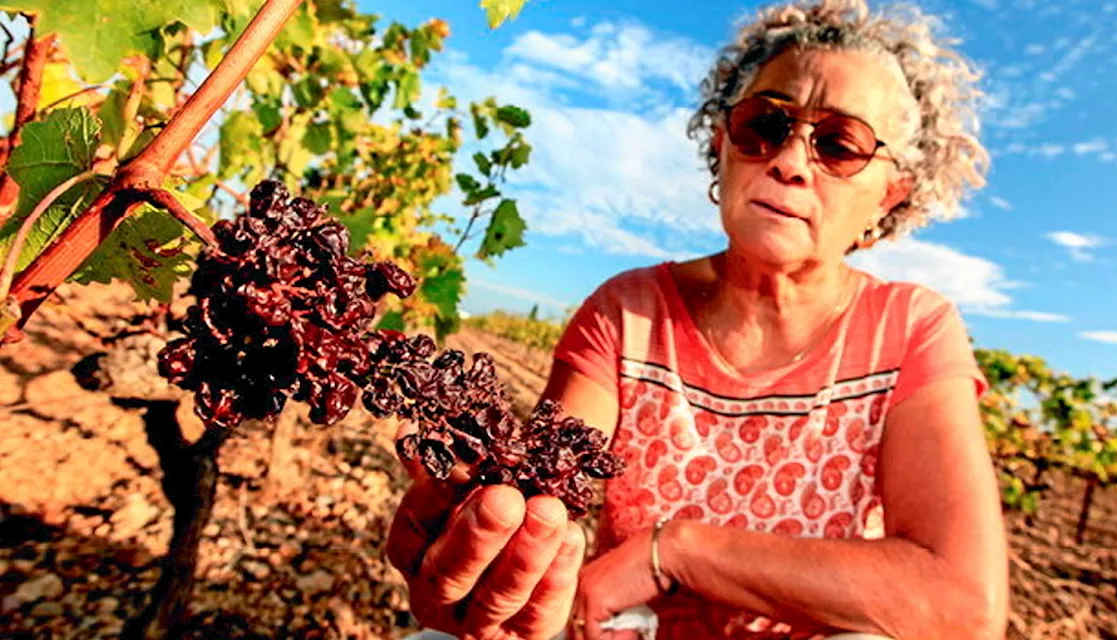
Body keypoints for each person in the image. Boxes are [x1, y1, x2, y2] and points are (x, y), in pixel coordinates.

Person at [385, 0, 1010, 638]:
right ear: (723, 144)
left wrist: (677, 552)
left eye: (839, 145)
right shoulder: (626, 312)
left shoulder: (910, 327)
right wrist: (503, 571)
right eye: (765, 125)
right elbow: (547, 492)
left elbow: (960, 605)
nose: (791, 162)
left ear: (890, 193)